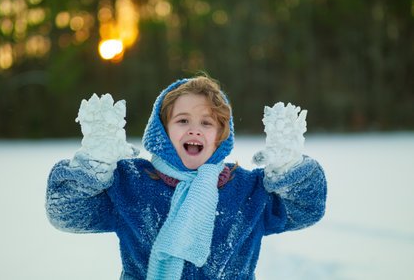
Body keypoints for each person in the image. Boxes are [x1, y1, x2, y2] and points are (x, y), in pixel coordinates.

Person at [45, 76, 327, 280]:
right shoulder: (131, 184)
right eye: (182, 120)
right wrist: (93, 164)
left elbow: (307, 209)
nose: (194, 130)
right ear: (163, 132)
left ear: (220, 136)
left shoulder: (247, 190)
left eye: (206, 122)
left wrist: (290, 167)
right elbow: (68, 213)